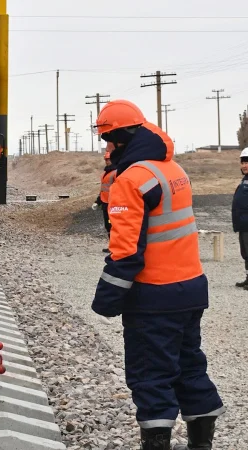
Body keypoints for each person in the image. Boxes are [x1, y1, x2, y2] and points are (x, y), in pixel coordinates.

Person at [92, 99, 223, 450]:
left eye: (108, 140)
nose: (106, 149)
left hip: (154, 296)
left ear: (119, 138)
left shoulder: (130, 180)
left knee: (151, 374)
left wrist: (105, 299)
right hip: (191, 288)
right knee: (190, 365)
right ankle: (202, 444)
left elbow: (127, 252)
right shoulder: (172, 169)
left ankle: (157, 443)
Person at [92, 142, 117, 252]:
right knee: (108, 225)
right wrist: (97, 202)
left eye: (109, 160)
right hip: (105, 203)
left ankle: (116, 247)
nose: (107, 162)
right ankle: (112, 246)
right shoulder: (104, 174)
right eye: (106, 160)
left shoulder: (116, 172)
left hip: (113, 204)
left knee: (114, 225)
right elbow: (103, 190)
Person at [233, 148, 248, 289]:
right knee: (246, 252)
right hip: (244, 224)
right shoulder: (245, 180)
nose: (244, 165)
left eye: (247, 162)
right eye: (243, 162)